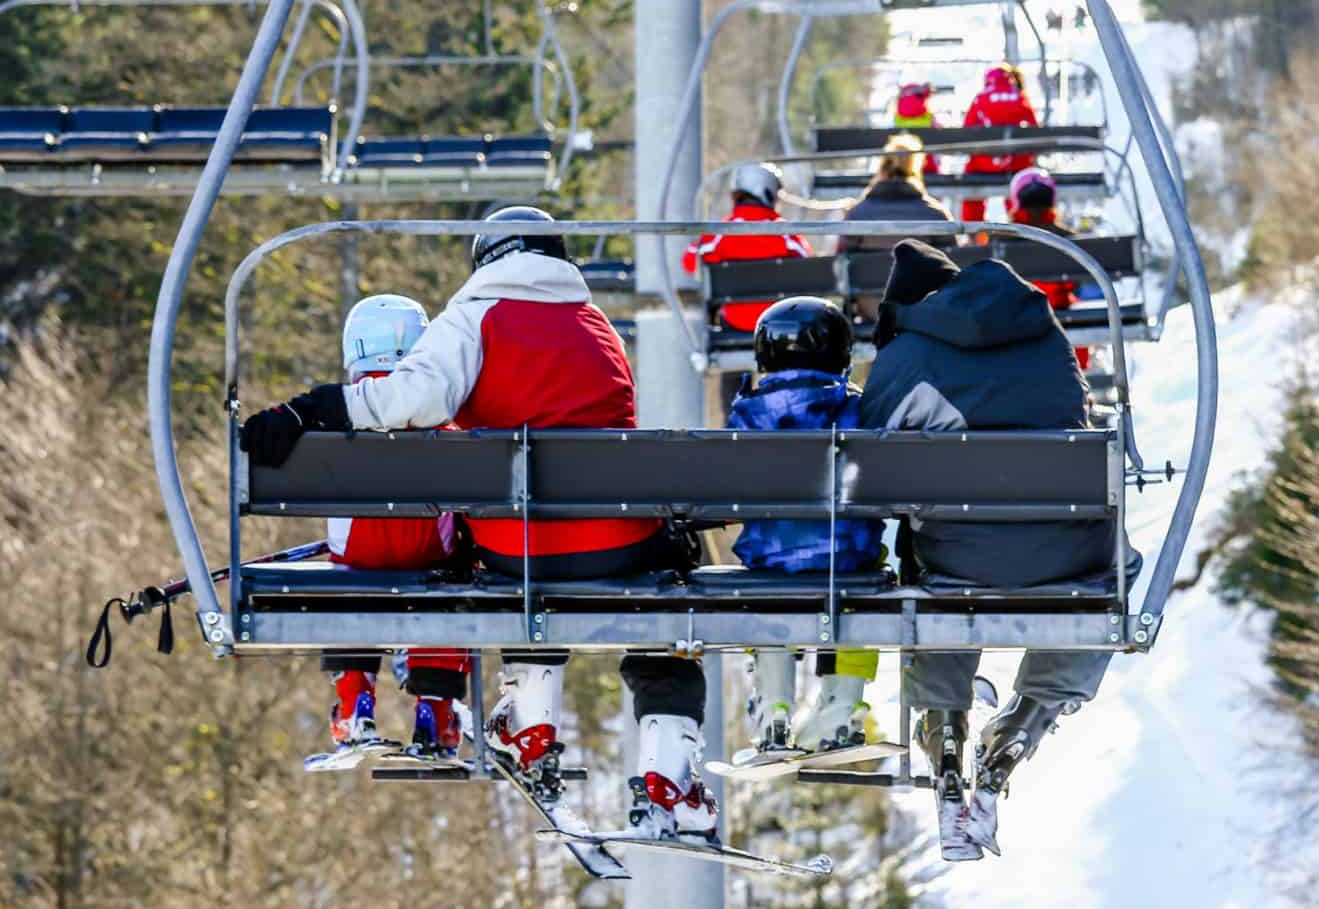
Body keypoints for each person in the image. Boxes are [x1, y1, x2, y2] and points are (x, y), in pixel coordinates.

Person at [241, 208, 717, 841]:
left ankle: (529, 723)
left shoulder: (474, 316)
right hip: (618, 544)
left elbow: (413, 400)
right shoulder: (598, 326)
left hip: (513, 552)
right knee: (668, 600)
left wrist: (319, 408)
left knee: (529, 581)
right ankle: (671, 780)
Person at [856, 239, 1135, 861]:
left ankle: (945, 728)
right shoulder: (1050, 340)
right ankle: (1023, 723)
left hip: (964, 561)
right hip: (1073, 554)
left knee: (928, 573)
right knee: (1116, 570)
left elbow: (865, 468)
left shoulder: (909, 358)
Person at [726, 297, 885, 755]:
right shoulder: (858, 410)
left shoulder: (748, 415)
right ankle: (841, 706)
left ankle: (774, 708)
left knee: (768, 590)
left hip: (770, 564)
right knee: (863, 580)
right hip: (847, 562)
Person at [317, 294, 470, 762]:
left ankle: (354, 703)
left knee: (345, 580)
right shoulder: (440, 419)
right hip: (425, 552)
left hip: (357, 557)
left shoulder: (338, 415)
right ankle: (434, 711)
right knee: (452, 582)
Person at [682, 161, 810, 334]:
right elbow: (810, 268)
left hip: (734, 324)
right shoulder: (785, 233)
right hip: (779, 324)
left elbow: (690, 263)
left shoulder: (718, 233)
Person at [1006, 167, 1092, 371]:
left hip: (1015, 313)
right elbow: (1076, 281)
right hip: (1059, 311)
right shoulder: (1068, 240)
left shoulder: (1001, 237)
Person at [958, 63, 1038, 223]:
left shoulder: (980, 99)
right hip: (1015, 166)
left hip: (982, 166)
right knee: (1020, 179)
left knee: (971, 196)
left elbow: (966, 132)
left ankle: (974, 232)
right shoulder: (1020, 97)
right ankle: (1020, 226)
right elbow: (1034, 130)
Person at [892, 81, 944, 174]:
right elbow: (942, 137)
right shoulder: (929, 118)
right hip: (928, 167)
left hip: (903, 169)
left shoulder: (897, 118)